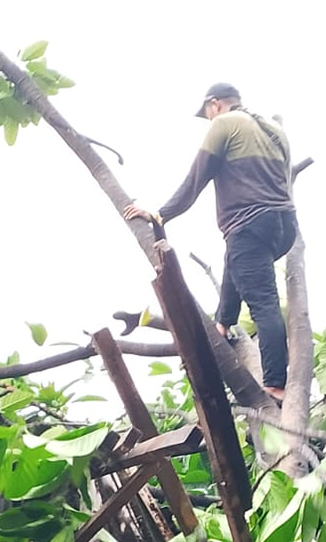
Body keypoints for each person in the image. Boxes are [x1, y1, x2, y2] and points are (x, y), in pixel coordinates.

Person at [124, 83, 296, 402]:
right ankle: (223, 323)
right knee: (237, 258)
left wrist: (160, 215)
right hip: (284, 225)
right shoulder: (274, 129)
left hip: (249, 223)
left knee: (264, 302)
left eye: (206, 113)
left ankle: (276, 384)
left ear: (214, 104)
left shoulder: (224, 123)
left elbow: (197, 176)